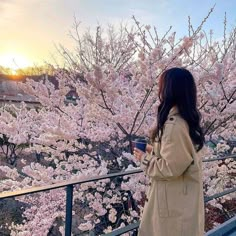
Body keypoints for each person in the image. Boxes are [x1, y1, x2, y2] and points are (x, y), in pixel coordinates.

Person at [134, 67, 205, 236]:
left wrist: (144, 158)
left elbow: (170, 168)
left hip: (173, 207)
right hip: (179, 201)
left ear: (168, 90)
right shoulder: (184, 120)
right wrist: (155, 149)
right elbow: (181, 155)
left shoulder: (174, 125)